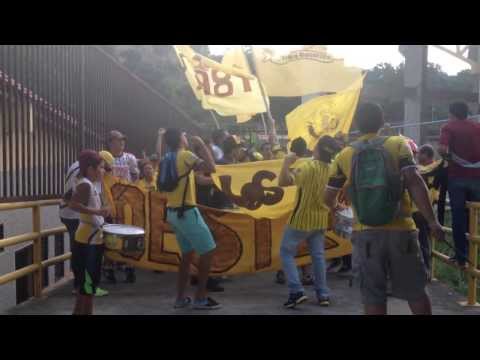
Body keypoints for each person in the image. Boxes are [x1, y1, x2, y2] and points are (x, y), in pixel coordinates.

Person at [324, 103, 445, 315]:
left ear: (357, 124)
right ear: (382, 122)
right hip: (402, 231)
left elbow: (328, 196)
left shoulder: (345, 154)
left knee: (373, 295)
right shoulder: (398, 144)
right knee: (415, 292)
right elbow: (414, 182)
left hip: (366, 233)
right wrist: (432, 221)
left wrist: (337, 210)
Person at [159, 128, 222, 310]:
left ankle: (180, 298)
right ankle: (201, 298)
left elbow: (195, 180)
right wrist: (202, 145)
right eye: (184, 135)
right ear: (180, 139)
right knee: (208, 251)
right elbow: (211, 168)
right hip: (187, 212)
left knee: (187, 256)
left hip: (173, 212)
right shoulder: (185, 155)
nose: (186, 138)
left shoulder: (167, 159)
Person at [278, 135, 342, 308]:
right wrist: (335, 207)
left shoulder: (307, 167)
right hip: (320, 219)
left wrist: (285, 163)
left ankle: (296, 290)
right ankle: (323, 294)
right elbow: (331, 196)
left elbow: (283, 182)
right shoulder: (332, 169)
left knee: (285, 252)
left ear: (318, 149)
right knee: (318, 256)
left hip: (300, 219)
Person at [69, 150, 111, 315]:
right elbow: (72, 204)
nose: (103, 171)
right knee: (88, 288)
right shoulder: (85, 184)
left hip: (90, 240)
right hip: (88, 243)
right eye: (100, 167)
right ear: (90, 169)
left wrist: (101, 212)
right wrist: (98, 212)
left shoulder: (88, 183)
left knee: (85, 288)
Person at [438, 102, 480, 267]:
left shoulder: (449, 127)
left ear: (451, 113)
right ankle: (474, 255)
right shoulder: (477, 127)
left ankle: (461, 257)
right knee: (474, 216)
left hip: (457, 177)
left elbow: (442, 149)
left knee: (458, 217)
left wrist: (451, 159)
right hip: (477, 177)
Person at [105, 130, 139, 283]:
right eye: (119, 140)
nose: (122, 142)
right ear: (111, 142)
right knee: (110, 235)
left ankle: (129, 267)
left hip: (127, 203)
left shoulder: (130, 158)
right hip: (111, 203)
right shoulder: (105, 158)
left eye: (123, 140)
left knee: (129, 235)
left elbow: (135, 176)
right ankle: (109, 268)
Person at [412, 144, 439, 279]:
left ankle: (425, 270)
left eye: (419, 154)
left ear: (427, 155)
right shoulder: (434, 169)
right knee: (423, 241)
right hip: (425, 210)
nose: (417, 157)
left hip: (421, 210)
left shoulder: (424, 169)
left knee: (422, 241)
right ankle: (424, 270)